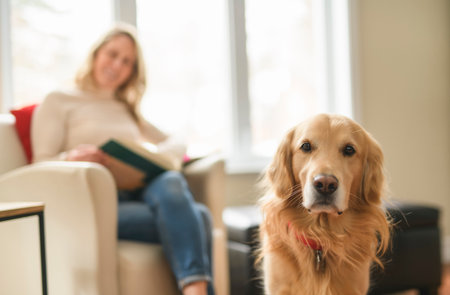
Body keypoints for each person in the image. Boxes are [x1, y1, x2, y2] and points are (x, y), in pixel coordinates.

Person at [31, 23, 214, 295]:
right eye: (112, 54)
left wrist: (160, 156)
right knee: (198, 216)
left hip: (139, 193)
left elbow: (177, 140)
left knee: (171, 179)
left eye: (127, 62)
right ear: (96, 54)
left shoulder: (127, 110)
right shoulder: (59, 100)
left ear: (132, 72)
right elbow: (39, 164)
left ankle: (194, 290)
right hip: (97, 205)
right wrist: (71, 158)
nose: (117, 65)